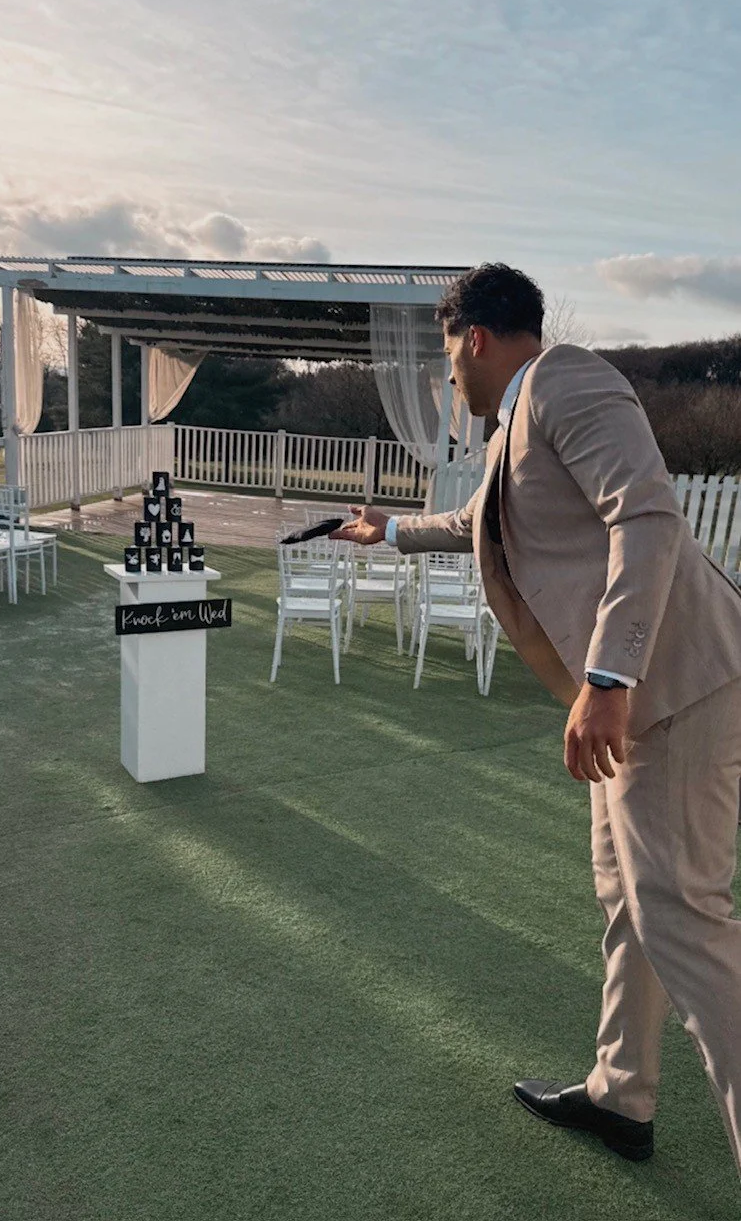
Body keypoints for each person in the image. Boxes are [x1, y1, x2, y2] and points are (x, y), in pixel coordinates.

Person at [331, 262, 741, 1174]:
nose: (449, 382)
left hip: (670, 689)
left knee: (684, 921)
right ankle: (619, 1094)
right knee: (628, 902)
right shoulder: (516, 419)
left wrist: (606, 674)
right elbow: (480, 520)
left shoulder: (567, 379)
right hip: (642, 704)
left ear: (474, 338)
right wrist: (389, 531)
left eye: (447, 363)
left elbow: (645, 514)